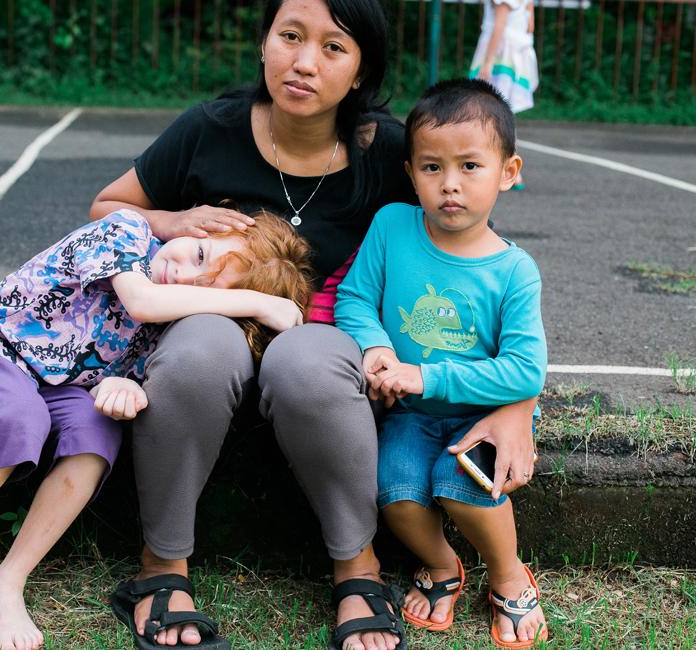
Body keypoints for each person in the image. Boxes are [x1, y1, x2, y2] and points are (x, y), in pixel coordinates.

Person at [90, 1, 541, 649]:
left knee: (305, 354)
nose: (304, 62)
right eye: (290, 37)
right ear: (265, 41)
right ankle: (163, 569)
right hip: (212, 334)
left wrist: (518, 405)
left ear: (360, 71)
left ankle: (357, 570)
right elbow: (108, 208)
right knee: (203, 345)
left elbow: (481, 258)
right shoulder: (209, 129)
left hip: (324, 351)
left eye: (334, 47)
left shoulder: (390, 151)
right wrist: (171, 220)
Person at [0, 208, 313, 650]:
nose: (180, 276)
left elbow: (117, 369)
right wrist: (256, 302)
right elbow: (139, 301)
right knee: (19, 417)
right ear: (203, 231)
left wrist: (122, 385)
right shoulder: (127, 233)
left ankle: (9, 581)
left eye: (202, 286)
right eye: (199, 254)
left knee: (96, 434)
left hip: (50, 387)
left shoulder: (174, 319)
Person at [335, 78, 549, 649]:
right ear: (410, 172)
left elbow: (525, 371)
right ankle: (443, 566)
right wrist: (377, 348)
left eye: (470, 166)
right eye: (431, 167)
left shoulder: (513, 270)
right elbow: (354, 299)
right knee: (397, 493)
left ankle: (507, 574)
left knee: (460, 486)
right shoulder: (392, 227)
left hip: (482, 418)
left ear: (508, 171)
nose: (449, 184)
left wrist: (426, 374)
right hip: (410, 413)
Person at [469, 0, 538, 189]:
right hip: (517, 53)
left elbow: (499, 26)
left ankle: (504, 168)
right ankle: (509, 170)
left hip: (500, 54)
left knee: (486, 107)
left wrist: (488, 62)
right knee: (503, 111)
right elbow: (530, 25)